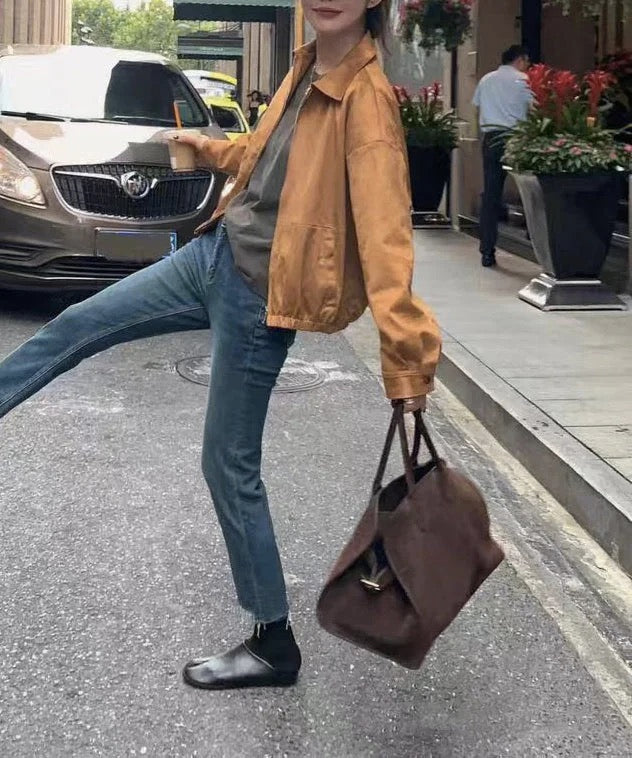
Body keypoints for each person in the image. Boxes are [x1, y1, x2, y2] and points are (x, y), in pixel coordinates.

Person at [0, 0, 441, 691]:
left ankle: (273, 641)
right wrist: (207, 149)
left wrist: (407, 360)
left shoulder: (366, 101)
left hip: (260, 297)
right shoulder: (305, 69)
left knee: (227, 464)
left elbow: (387, 240)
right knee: (77, 323)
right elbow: (268, 163)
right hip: (212, 256)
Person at [472, 45, 532, 267]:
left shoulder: (486, 80)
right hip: (517, 137)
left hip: (492, 138)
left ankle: (487, 250)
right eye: (526, 61)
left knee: (491, 193)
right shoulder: (524, 80)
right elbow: (534, 109)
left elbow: (477, 108)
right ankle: (532, 234)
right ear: (520, 59)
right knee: (529, 188)